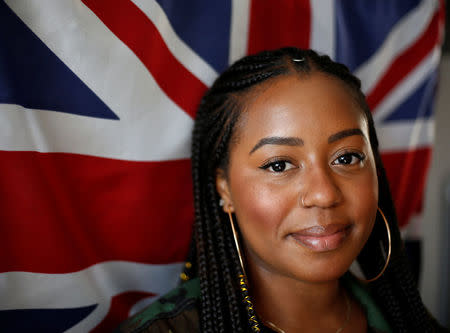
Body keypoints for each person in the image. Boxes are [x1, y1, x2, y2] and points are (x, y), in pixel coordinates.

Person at [116, 47, 446, 332]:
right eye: (279, 165)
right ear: (224, 189)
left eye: (346, 157)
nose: (324, 194)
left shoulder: (410, 321)